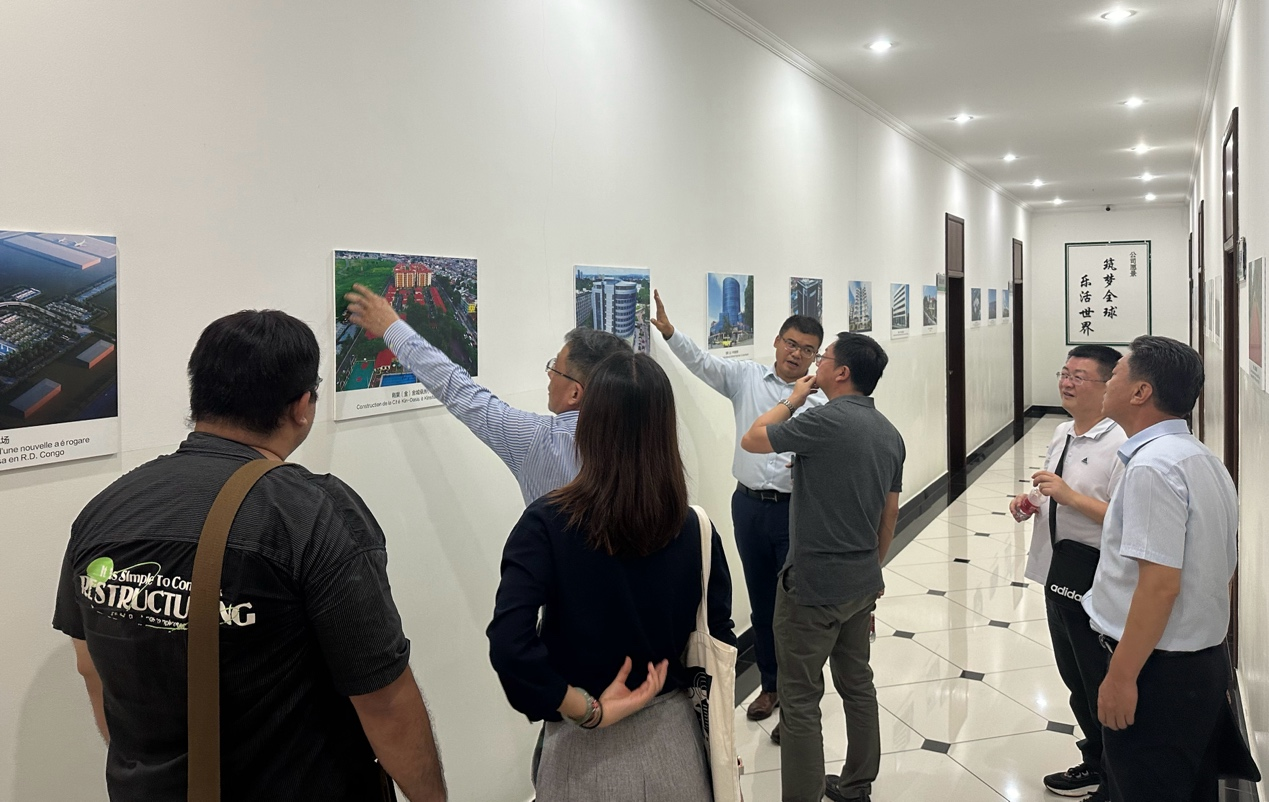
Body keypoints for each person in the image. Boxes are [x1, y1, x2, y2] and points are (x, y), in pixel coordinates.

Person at [52, 311, 446, 801]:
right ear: (302, 407)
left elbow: (91, 667)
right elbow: (383, 699)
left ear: (198, 396)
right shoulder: (313, 513)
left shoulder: (105, 510)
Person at [487, 351, 736, 802]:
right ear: (665, 430)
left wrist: (587, 710)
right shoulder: (694, 528)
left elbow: (510, 644)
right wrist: (718, 735)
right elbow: (718, 637)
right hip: (675, 743)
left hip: (581, 751)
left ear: (589, 425)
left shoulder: (546, 523)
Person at [741, 332, 904, 802]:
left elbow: (753, 438)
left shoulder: (823, 420)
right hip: (861, 583)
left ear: (842, 372)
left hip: (812, 588)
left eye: (824, 357)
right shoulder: (889, 433)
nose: (816, 364)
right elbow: (889, 515)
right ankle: (857, 784)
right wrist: (871, 571)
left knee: (799, 698)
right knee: (857, 684)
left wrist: (793, 399)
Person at [651, 290, 824, 727]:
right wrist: (670, 334)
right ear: (776, 342)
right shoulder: (747, 378)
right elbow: (704, 365)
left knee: (795, 609)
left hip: (794, 511)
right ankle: (770, 686)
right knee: (763, 603)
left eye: (807, 350)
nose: (796, 353)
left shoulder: (819, 402)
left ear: (815, 357)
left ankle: (799, 703)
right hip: (747, 506)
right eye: (791, 343)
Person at [1083, 336, 1238, 802]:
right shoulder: (1199, 457)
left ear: (1140, 392)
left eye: (1115, 374)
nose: (1107, 383)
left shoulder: (1152, 468)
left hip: (1159, 672)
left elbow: (1159, 586)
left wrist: (1121, 677)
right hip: (1198, 664)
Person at [344, 284, 630, 504]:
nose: (549, 374)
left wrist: (391, 327)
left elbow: (458, 388)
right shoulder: (644, 438)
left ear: (575, 393)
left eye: (556, 367)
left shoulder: (542, 442)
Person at [1011, 345, 1126, 802]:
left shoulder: (1121, 443)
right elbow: (1052, 490)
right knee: (1075, 677)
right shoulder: (1062, 432)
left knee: (1099, 678)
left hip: (1096, 580)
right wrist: (1032, 502)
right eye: (1064, 373)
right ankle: (1096, 760)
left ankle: (1116, 774)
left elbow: (1126, 518)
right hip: (1057, 573)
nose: (1066, 382)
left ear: (1109, 385)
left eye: (1079, 376)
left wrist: (1067, 496)